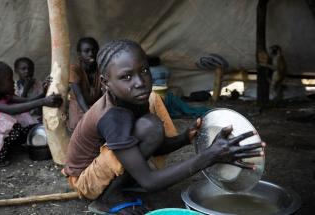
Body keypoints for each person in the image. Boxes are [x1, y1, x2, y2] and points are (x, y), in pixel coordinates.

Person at [62, 39, 265, 214]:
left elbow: (151, 144)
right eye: (126, 77)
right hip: (85, 179)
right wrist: (209, 156)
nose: (140, 82)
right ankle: (108, 198)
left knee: (151, 125)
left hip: (105, 161)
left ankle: (121, 184)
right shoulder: (112, 117)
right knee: (149, 125)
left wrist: (185, 138)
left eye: (144, 71)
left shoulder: (135, 99)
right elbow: (149, 182)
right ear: (106, 83)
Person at [0, 60, 62, 167]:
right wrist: (44, 101)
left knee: (19, 117)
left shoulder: (1, 94)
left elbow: (27, 101)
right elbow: (10, 110)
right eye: (9, 80)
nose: (13, 82)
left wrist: (44, 94)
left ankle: (8, 148)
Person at [67, 37, 102, 132]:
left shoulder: (101, 67)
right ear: (79, 55)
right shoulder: (74, 69)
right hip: (79, 107)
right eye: (86, 51)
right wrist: (90, 116)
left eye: (94, 50)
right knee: (82, 129)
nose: (91, 54)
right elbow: (79, 97)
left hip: (97, 106)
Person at [14, 57, 46, 121]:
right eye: (23, 69)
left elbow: (41, 108)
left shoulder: (39, 84)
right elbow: (18, 108)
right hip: (21, 120)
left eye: (30, 68)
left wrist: (45, 91)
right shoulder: (14, 87)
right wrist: (26, 89)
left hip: (38, 118)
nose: (27, 71)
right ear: (16, 71)